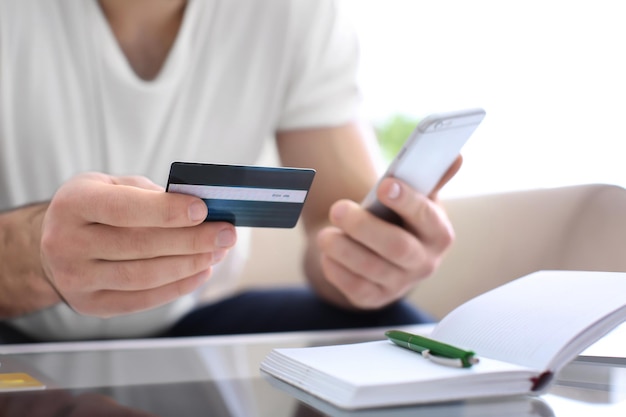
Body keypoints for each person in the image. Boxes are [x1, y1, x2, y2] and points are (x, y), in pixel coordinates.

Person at [0, 0, 460, 342]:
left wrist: (373, 264)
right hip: (13, 324)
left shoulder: (297, 13)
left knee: (400, 333)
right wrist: (35, 257)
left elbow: (334, 224)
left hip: (188, 323)